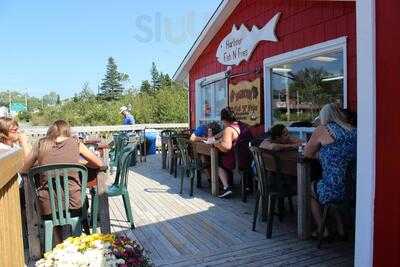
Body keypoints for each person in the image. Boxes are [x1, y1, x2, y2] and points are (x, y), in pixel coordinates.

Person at [22, 120, 103, 245]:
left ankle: (59, 244)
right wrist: (80, 164)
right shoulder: (76, 143)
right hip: (76, 204)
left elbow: (24, 170)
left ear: (50, 132)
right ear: (67, 131)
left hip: (46, 207)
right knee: (76, 198)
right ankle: (77, 241)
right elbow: (99, 164)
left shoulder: (40, 144)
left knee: (53, 205)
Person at [304, 103, 356, 238]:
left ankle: (323, 229)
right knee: (328, 192)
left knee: (308, 188)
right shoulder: (353, 130)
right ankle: (340, 229)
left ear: (323, 117)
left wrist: (321, 154)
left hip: (334, 188)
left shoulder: (323, 129)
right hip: (353, 189)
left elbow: (307, 154)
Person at [213, 107, 252, 198]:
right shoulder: (244, 125)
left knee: (217, 162)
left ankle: (227, 187)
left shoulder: (229, 129)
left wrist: (216, 144)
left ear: (223, 119)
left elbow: (226, 147)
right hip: (249, 158)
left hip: (236, 161)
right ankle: (247, 186)